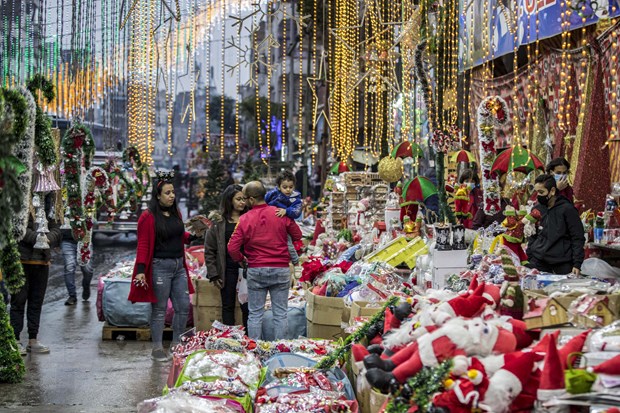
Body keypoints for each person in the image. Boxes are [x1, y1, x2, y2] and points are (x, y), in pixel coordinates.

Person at [128, 172, 194, 362]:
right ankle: (157, 348)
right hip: (159, 267)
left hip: (179, 267)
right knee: (159, 309)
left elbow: (179, 235)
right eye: (167, 193)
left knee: (183, 307)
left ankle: (176, 344)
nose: (172, 196)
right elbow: (143, 245)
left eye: (173, 192)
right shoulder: (148, 217)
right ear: (158, 196)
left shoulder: (176, 213)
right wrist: (141, 271)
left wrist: (193, 236)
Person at [228, 181, 303, 340]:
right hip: (281, 270)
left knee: (255, 314)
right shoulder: (280, 214)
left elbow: (232, 248)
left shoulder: (245, 219)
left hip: (256, 270)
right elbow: (297, 235)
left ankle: (255, 351)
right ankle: (279, 351)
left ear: (251, 200)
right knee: (280, 314)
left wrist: (242, 260)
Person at [11, 193, 61, 355]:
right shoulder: (21, 202)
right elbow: (18, 228)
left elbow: (56, 229)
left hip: (42, 262)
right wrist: (38, 239)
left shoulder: (49, 205)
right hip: (22, 260)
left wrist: (47, 240)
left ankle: (33, 339)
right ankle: (15, 339)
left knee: (36, 302)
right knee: (18, 301)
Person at [204, 184, 249, 328]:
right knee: (228, 305)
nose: (242, 202)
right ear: (229, 201)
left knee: (247, 306)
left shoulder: (249, 219)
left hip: (247, 269)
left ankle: (250, 339)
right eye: (238, 199)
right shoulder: (218, 223)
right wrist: (213, 274)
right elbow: (210, 250)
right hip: (226, 269)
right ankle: (230, 338)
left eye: (244, 199)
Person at [526, 174, 585, 275]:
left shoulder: (567, 209)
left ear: (552, 191)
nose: (538, 196)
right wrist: (530, 255)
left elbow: (577, 237)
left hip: (562, 263)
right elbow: (532, 234)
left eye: (541, 192)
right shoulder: (537, 209)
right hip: (538, 260)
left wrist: (577, 264)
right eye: (536, 192)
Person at [265, 170, 302, 265]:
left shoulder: (295, 197)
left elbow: (297, 211)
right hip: (270, 223)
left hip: (284, 226)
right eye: (284, 187)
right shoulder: (273, 194)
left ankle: (296, 262)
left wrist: (286, 211)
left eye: (291, 187)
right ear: (278, 186)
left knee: (288, 244)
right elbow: (263, 200)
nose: (288, 190)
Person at [61, 228, 94, 306]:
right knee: (69, 267)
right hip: (67, 241)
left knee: (87, 269)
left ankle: (86, 286)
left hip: (85, 240)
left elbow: (94, 221)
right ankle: (72, 295)